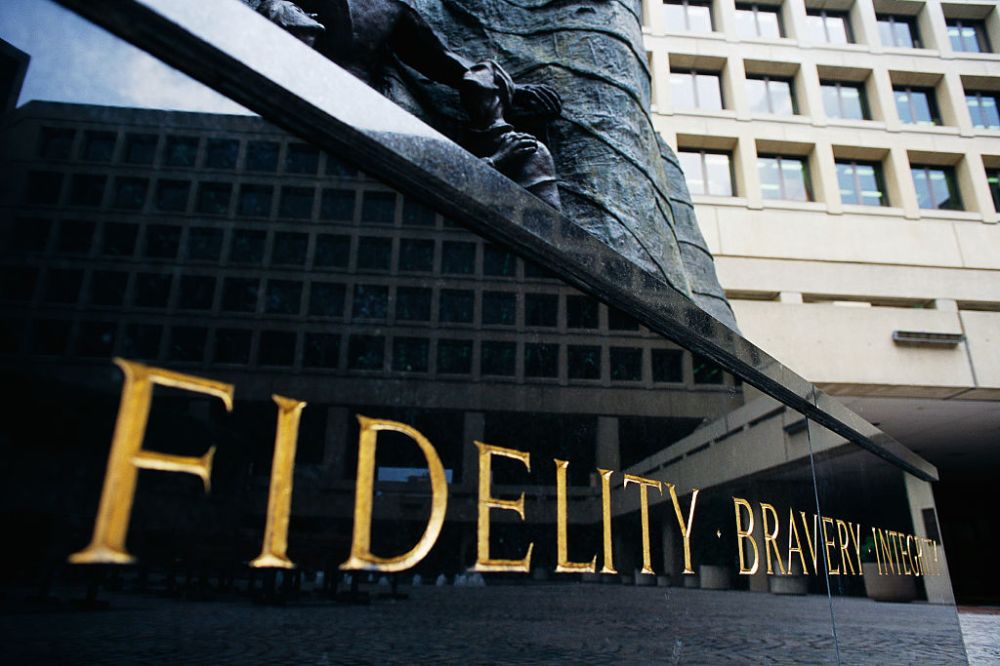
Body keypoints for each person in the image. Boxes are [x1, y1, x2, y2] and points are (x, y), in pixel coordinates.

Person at [248, 0, 560, 118]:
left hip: (354, 109)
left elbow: (439, 59)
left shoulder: (390, 6)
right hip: (279, 95)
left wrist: (513, 90)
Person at [460, 61, 560, 209]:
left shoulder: (528, 148)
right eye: (466, 91)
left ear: (499, 91)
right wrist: (498, 160)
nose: (470, 97)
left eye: (478, 69)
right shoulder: (459, 142)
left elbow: (549, 219)